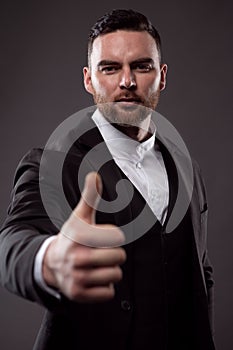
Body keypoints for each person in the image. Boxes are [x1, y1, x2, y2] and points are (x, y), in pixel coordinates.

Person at [0, 9, 215, 350]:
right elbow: (12, 243)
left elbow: (199, 271)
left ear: (161, 76)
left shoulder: (189, 169)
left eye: (141, 66)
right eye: (110, 68)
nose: (126, 81)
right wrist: (48, 260)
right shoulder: (53, 163)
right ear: (89, 80)